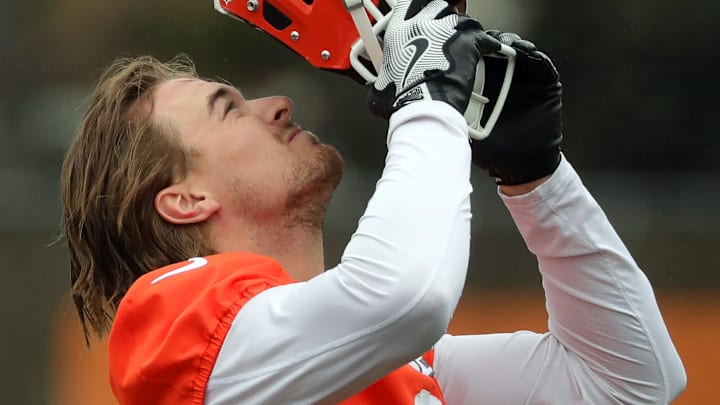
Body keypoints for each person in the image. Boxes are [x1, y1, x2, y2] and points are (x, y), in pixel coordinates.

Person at [60, 0, 686, 403]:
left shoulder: (389, 358)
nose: (275, 104)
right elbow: (404, 296)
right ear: (185, 199)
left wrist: (536, 175)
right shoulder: (171, 325)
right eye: (228, 108)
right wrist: (427, 100)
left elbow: (631, 384)